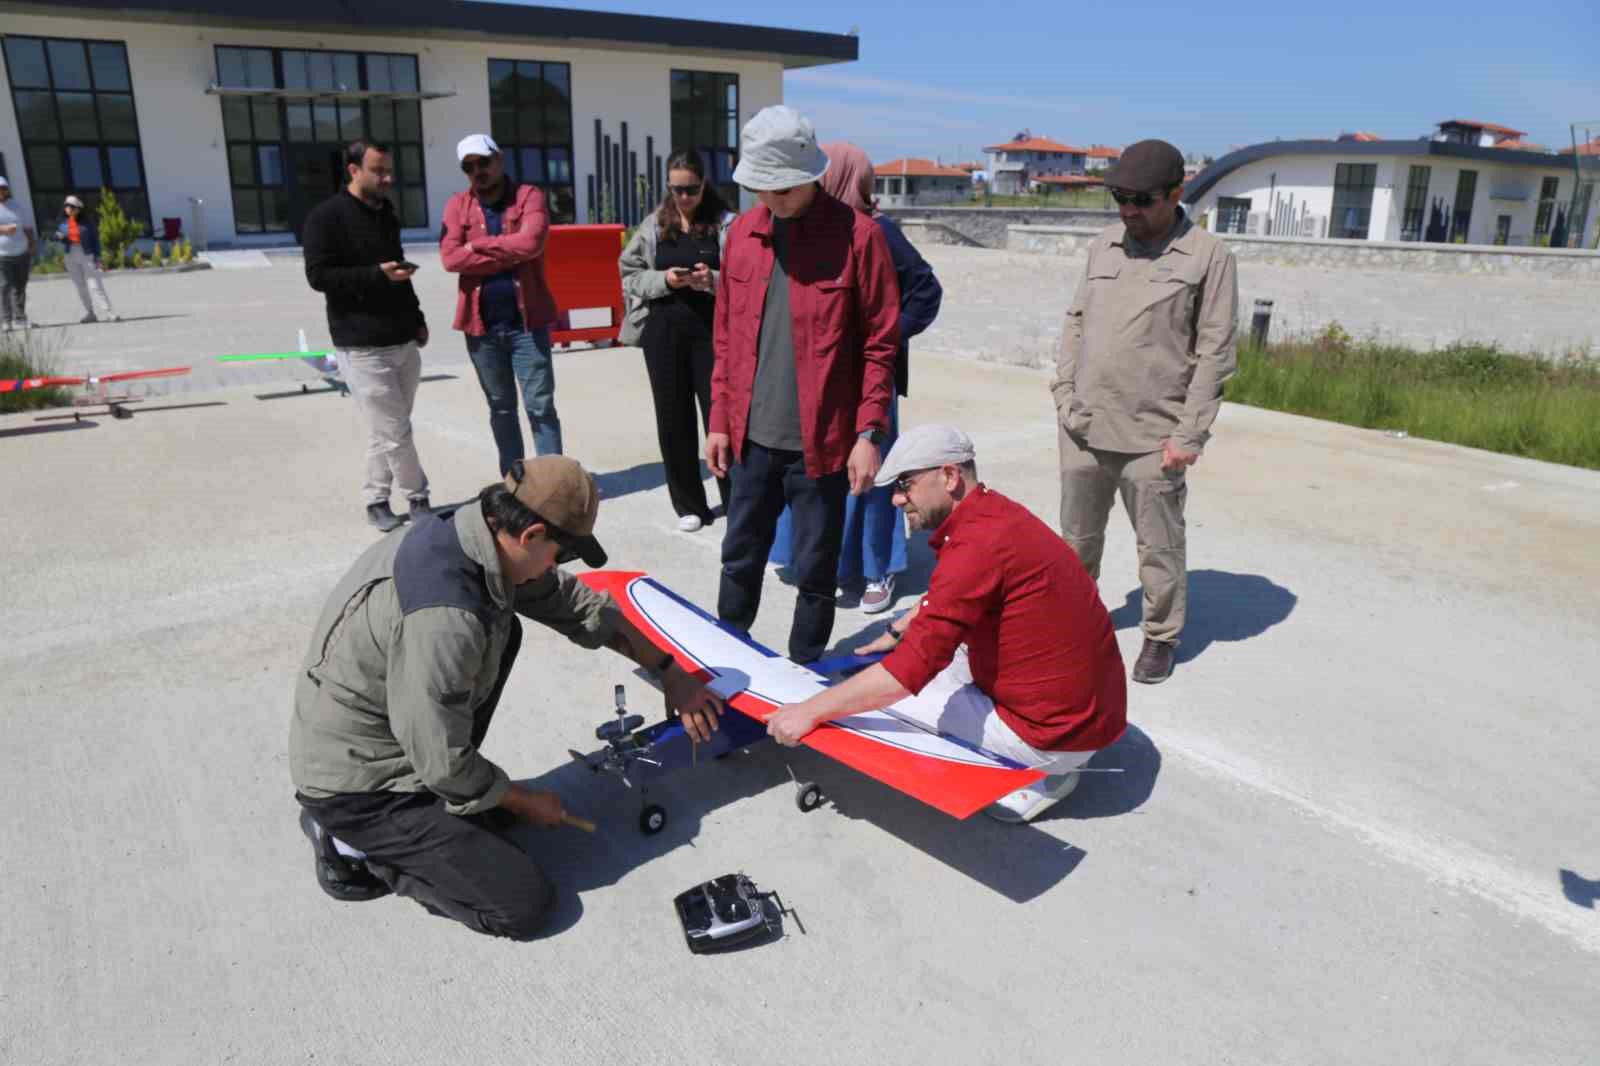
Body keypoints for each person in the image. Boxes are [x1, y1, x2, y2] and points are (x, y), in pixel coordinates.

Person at [291, 455, 723, 938]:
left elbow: (581, 610)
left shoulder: (470, 535)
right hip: (361, 786)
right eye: (560, 554)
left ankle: (444, 815)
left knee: (504, 630)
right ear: (530, 535)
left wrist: (669, 671)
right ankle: (356, 848)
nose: (557, 567)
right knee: (525, 906)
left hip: (390, 734)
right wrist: (520, 800)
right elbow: (441, 762)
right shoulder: (449, 617)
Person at [766, 425, 1127, 823]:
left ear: (950, 476)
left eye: (906, 484)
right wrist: (911, 619)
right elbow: (971, 590)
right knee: (904, 668)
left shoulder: (974, 548)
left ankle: (1044, 776)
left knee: (879, 705)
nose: (898, 499)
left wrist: (810, 711)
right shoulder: (995, 514)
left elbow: (906, 675)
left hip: (1056, 734)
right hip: (1091, 709)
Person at [705, 105, 900, 664]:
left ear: (812, 176)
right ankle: (726, 664)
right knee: (739, 557)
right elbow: (726, 338)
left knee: (815, 574)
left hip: (826, 445)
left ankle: (804, 669)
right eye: (762, 190)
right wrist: (718, 419)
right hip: (750, 441)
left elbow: (879, 346)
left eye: (784, 190)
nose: (772, 202)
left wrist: (869, 433)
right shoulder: (741, 235)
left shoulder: (859, 239)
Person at [1052, 139, 1238, 685]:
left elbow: (1216, 351)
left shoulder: (1208, 257)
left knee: (1159, 545)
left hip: (1155, 436)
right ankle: (1075, 625)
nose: (1128, 210)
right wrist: (1064, 392)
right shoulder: (1104, 245)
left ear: (1176, 194)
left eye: (1140, 199)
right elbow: (1076, 321)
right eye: (1119, 198)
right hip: (1084, 426)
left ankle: (1160, 636)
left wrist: (1190, 435)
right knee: (1076, 542)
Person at [768, 142, 942, 613]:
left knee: (873, 475)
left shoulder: (879, 231)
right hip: (817, 378)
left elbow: (926, 291)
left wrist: (884, 336)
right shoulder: (809, 229)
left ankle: (877, 570)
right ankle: (826, 560)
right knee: (820, 469)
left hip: (870, 379)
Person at [304, 140, 431, 533]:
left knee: (390, 429)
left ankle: (376, 498)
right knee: (396, 430)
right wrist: (376, 274)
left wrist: (417, 318)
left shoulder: (386, 215)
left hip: (402, 340)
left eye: (389, 171)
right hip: (360, 346)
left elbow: (397, 271)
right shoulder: (325, 218)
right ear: (353, 170)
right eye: (378, 171)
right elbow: (319, 277)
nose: (387, 178)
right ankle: (419, 500)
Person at [618, 148, 736, 532]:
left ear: (705, 185)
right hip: (664, 333)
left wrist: (713, 281)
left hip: (713, 335)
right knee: (673, 420)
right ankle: (689, 505)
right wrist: (664, 280)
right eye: (676, 190)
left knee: (722, 419)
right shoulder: (654, 225)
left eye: (691, 189)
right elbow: (629, 275)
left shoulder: (725, 224)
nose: (684, 198)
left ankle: (734, 500)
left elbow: (748, 278)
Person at [440, 133, 563, 472]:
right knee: (501, 408)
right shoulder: (457, 205)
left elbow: (531, 244)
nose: (477, 171)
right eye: (469, 167)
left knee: (540, 408)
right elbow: (450, 259)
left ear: (499, 159)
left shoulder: (528, 196)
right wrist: (506, 252)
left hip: (528, 324)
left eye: (483, 162)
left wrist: (475, 247)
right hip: (481, 328)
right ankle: (516, 480)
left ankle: (553, 482)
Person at [55, 195, 119, 324]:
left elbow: (95, 240)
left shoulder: (87, 223)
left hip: (87, 255)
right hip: (70, 256)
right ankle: (90, 313)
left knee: (95, 285)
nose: (69, 209)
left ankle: (109, 312)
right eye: (67, 206)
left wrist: (98, 257)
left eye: (72, 207)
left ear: (79, 209)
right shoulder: (62, 222)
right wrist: (58, 237)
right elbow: (56, 235)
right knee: (80, 286)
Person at [0, 177, 37, 332]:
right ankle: (6, 320)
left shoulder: (18, 206)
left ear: (7, 189)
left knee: (20, 287)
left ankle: (20, 318)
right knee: (4, 286)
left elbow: (28, 227)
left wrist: (32, 244)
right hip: (2, 254)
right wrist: (3, 229)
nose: (1, 191)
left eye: (3, 188)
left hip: (22, 253)